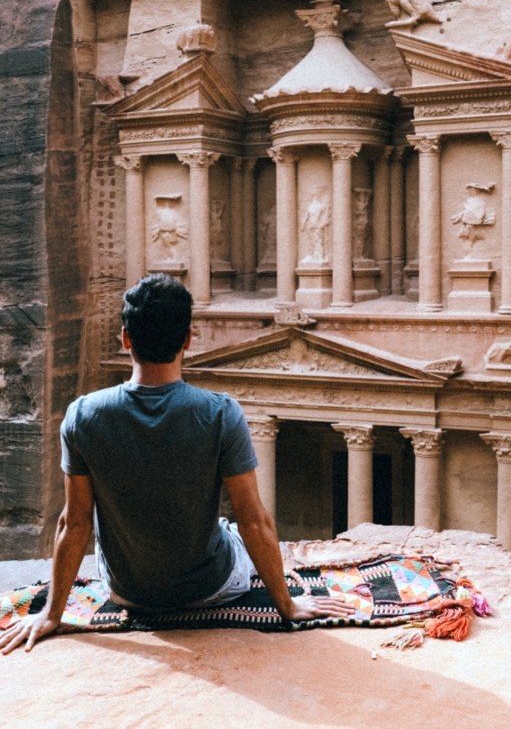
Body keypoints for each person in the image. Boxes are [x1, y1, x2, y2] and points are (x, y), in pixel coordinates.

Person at [0, 274, 352, 654]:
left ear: (125, 338)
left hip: (126, 592)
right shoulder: (221, 414)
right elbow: (254, 519)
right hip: (209, 588)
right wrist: (288, 605)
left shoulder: (83, 415)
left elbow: (75, 522)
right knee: (233, 531)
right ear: (187, 339)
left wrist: (53, 613)